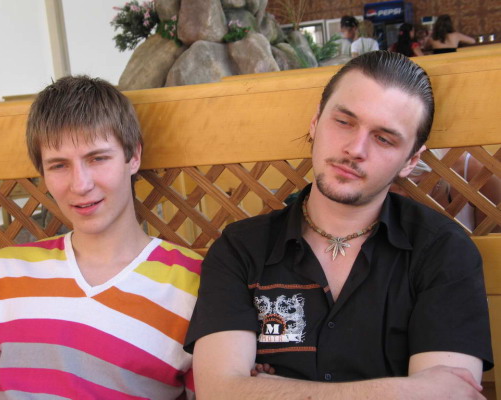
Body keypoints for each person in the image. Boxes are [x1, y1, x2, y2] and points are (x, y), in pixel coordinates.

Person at [184, 51, 493, 399]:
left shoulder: (444, 252)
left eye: (384, 138)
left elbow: (450, 396)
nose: (355, 149)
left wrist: (271, 390)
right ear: (315, 122)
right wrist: (405, 390)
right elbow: (219, 392)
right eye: (344, 122)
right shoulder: (241, 248)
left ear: (411, 161)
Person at [0, 76, 201, 399]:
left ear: (133, 156)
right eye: (59, 165)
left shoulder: (196, 284)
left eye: (98, 158)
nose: (80, 184)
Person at [390, 150, 501, 232]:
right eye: (391, 186)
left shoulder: (478, 173)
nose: (402, 194)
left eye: (417, 184)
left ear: (434, 171)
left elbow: (494, 241)